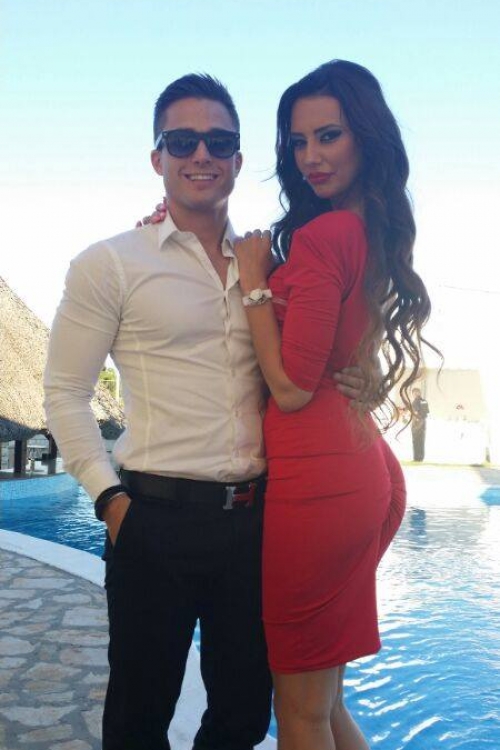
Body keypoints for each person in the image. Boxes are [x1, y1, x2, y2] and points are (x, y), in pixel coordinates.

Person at [44, 73, 365, 750]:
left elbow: (310, 361)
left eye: (219, 142)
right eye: (182, 140)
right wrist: (110, 501)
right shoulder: (111, 264)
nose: (201, 155)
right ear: (157, 156)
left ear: (239, 160)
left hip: (255, 524)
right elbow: (65, 393)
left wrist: (365, 376)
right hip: (152, 518)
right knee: (138, 719)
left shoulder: (267, 267)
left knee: (243, 716)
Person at [232, 60, 439, 750]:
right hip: (356, 467)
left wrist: (256, 283)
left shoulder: (324, 237)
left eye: (329, 136)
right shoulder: (363, 228)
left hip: (318, 484)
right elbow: (340, 350)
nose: (310, 156)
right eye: (299, 141)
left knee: (299, 712)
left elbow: (292, 388)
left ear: (366, 138)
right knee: (324, 706)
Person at [411, 387, 430, 461]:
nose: (414, 394)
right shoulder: (424, 401)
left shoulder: (416, 401)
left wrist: (415, 420)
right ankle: (420, 457)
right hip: (423, 422)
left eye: (414, 393)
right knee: (421, 440)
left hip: (417, 422)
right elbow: (426, 412)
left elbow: (415, 412)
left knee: (416, 440)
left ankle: (416, 457)